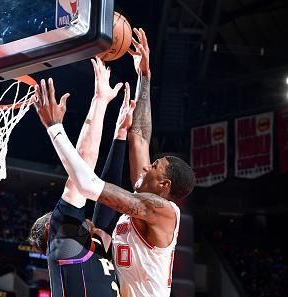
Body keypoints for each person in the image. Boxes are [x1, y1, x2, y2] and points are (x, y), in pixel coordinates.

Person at [33, 29, 196, 297]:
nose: (145, 167)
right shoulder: (146, 197)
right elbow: (140, 135)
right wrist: (144, 75)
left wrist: (54, 128)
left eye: (154, 167)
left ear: (164, 185)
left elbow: (88, 185)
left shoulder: (162, 210)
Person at [28, 57, 135, 297]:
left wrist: (119, 135)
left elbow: (107, 197)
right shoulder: (64, 244)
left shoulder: (87, 249)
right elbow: (84, 164)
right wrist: (99, 101)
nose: (83, 217)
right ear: (52, 227)